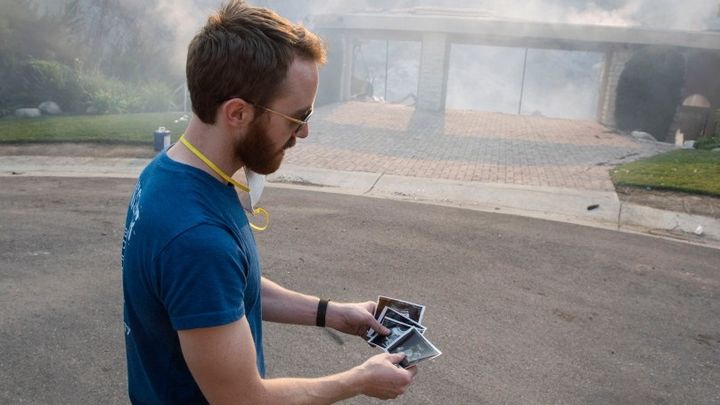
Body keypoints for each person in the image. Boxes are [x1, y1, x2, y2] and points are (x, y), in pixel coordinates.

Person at [120, 1, 417, 404]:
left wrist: (333, 313)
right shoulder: (197, 238)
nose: (305, 132)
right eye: (297, 117)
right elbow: (244, 399)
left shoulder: (169, 171)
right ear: (238, 113)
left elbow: (227, 289)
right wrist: (359, 380)